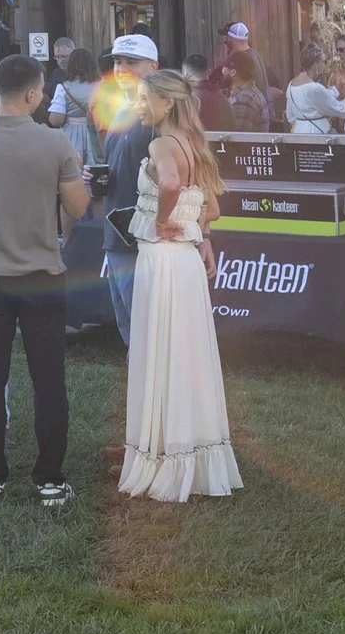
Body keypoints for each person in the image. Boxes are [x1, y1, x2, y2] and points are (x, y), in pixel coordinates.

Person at [0, 54, 90, 508]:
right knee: (49, 379)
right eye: (42, 89)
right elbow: (79, 209)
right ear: (30, 93)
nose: (44, 96)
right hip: (43, 275)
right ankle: (49, 478)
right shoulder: (57, 144)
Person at [120, 70, 241, 502]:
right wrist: (203, 237)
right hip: (186, 260)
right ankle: (194, 452)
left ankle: (164, 458)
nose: (138, 104)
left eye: (143, 97)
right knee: (187, 354)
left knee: (164, 350)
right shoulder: (195, 143)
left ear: (166, 103)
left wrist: (161, 220)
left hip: (164, 258)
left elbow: (170, 183)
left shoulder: (162, 143)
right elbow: (213, 206)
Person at [94, 34, 160, 344]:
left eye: (131, 62)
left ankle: (155, 392)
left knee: (148, 333)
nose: (122, 68)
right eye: (118, 62)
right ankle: (141, 392)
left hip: (144, 240)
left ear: (153, 66)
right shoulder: (121, 110)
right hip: (116, 236)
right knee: (130, 333)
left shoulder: (160, 114)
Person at [45, 45, 101, 165]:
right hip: (97, 132)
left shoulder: (63, 87)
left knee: (72, 170)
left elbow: (56, 120)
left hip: (71, 134)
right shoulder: (102, 86)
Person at [286, 53, 345, 135]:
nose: (326, 65)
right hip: (318, 134)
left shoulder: (291, 84)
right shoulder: (314, 87)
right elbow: (340, 110)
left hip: (298, 132)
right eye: (324, 62)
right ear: (316, 65)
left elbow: (291, 116)